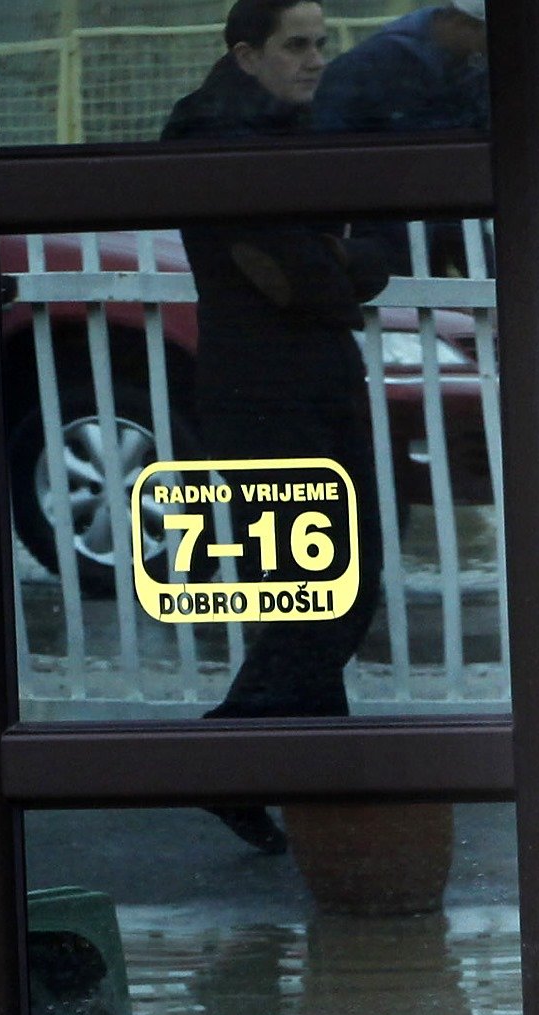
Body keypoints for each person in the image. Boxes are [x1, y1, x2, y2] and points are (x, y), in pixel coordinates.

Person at [163, 0, 395, 846]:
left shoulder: (291, 126)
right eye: (296, 45)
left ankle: (314, 787)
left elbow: (369, 253)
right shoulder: (211, 137)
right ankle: (237, 756)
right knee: (322, 600)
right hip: (263, 396)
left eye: (322, 45)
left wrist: (337, 260)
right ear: (246, 53)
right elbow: (299, 278)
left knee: (330, 591)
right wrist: (333, 259)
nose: (315, 60)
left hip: (315, 386)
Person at [310, 0, 489, 134]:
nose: (486, 49)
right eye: (485, 38)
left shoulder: (469, 66)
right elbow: (330, 128)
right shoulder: (375, 62)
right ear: (461, 24)